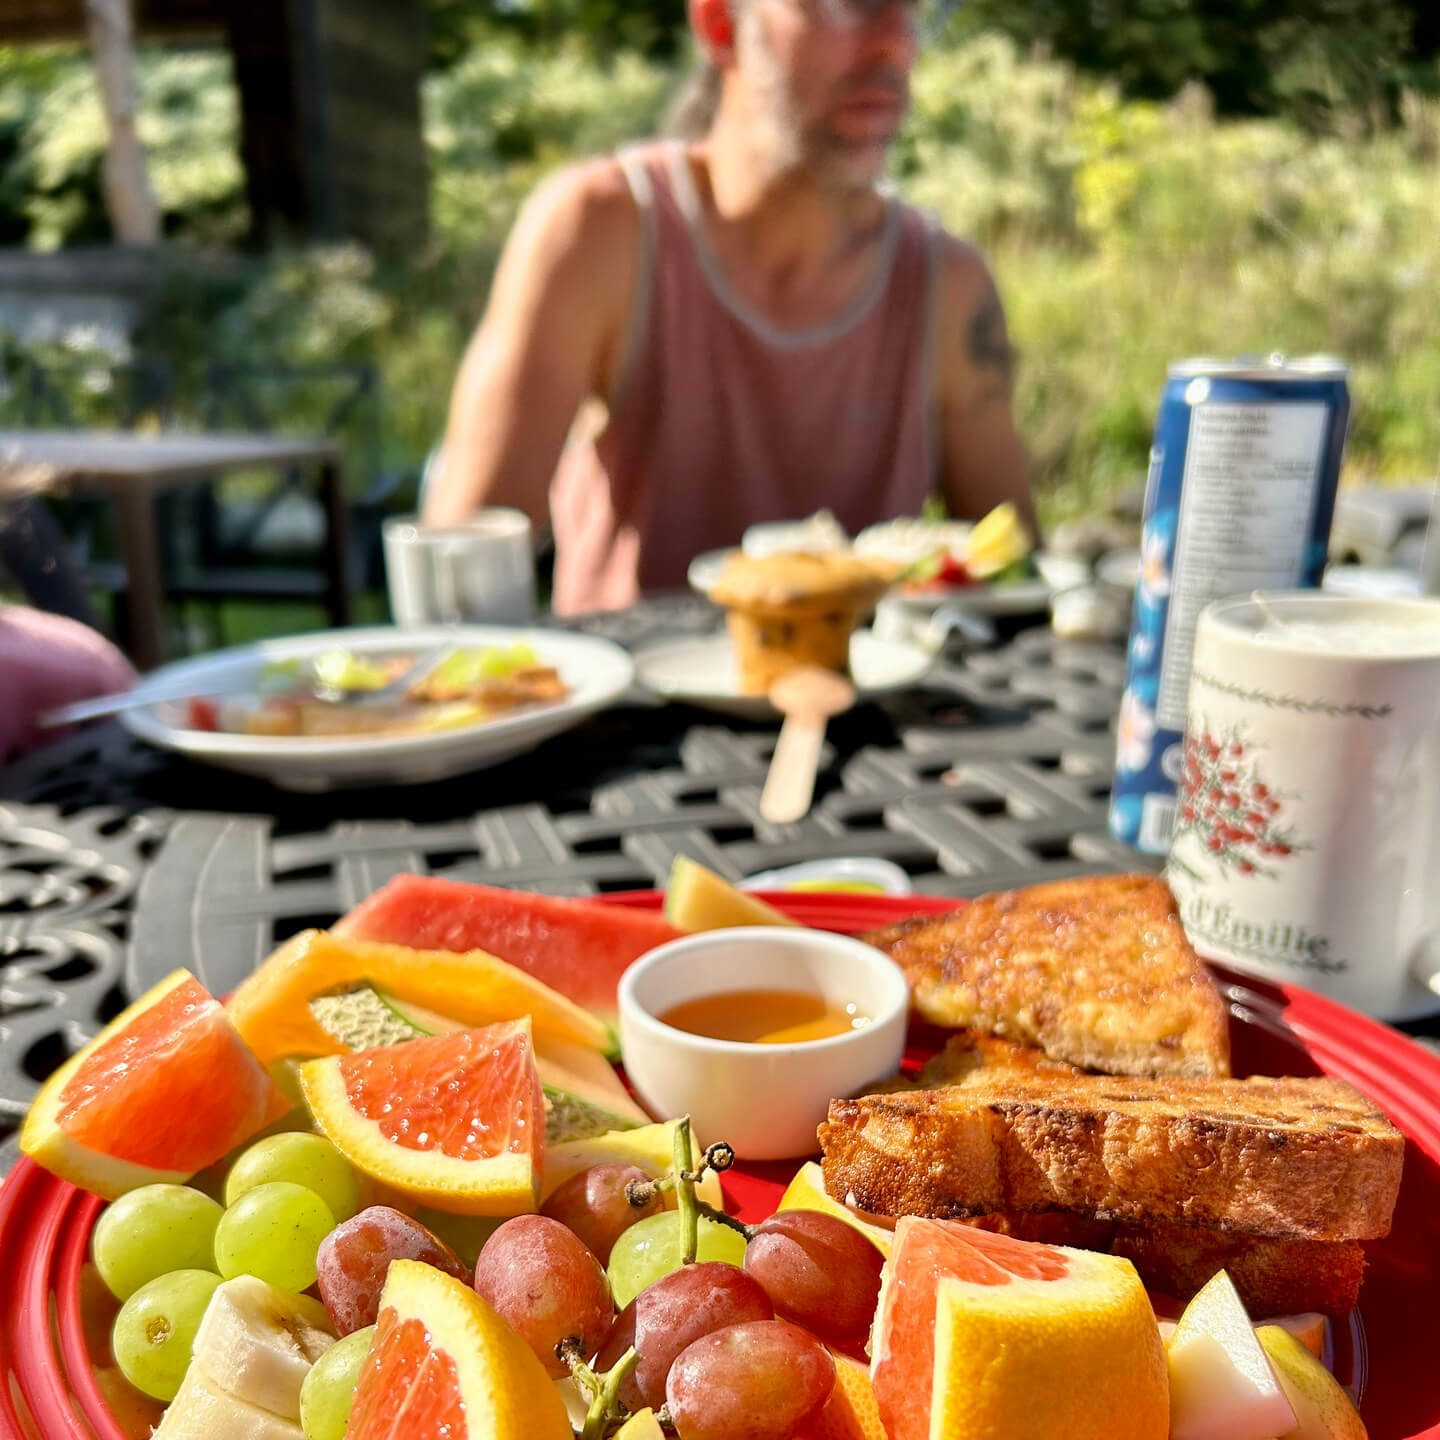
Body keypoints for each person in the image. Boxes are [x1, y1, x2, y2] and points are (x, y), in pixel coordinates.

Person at [425, 0, 1034, 614]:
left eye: (914, 11)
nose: (895, 46)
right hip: (634, 701)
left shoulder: (948, 283)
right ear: (720, 24)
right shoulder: (601, 230)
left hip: (874, 703)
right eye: (853, 6)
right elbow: (456, 580)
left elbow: (1015, 571)